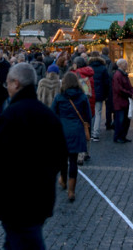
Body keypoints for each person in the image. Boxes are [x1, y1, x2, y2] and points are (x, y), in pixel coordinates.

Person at [0, 62, 66, 249]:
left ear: (16, 83)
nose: (7, 88)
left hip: (14, 202)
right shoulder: (48, 116)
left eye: (7, 84)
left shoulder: (9, 117)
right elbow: (60, 156)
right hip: (40, 199)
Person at [52, 71, 91, 203]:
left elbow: (53, 114)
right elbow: (88, 115)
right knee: (73, 160)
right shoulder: (82, 97)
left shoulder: (59, 97)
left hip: (62, 130)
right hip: (77, 130)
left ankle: (63, 180)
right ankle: (71, 191)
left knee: (63, 159)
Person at [87, 52, 110, 142]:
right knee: (98, 113)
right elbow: (106, 83)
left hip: (89, 93)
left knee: (90, 112)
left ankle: (89, 131)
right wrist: (107, 94)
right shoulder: (103, 68)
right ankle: (95, 133)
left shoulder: (88, 67)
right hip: (100, 93)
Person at [111, 58, 133, 144]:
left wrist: (132, 92)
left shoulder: (123, 74)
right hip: (120, 101)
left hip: (124, 101)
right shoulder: (118, 75)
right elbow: (119, 89)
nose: (127, 65)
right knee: (120, 120)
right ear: (120, 65)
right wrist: (130, 93)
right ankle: (118, 137)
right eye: (125, 64)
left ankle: (123, 136)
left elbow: (129, 86)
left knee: (125, 120)